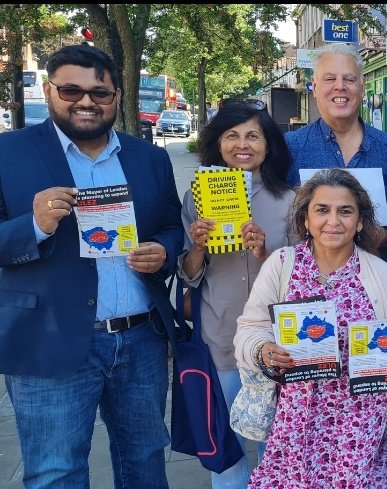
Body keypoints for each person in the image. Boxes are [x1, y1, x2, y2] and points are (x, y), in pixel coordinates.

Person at [0, 44, 183, 488]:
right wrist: (34, 226)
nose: (86, 101)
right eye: (70, 90)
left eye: (99, 92)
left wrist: (163, 251)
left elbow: (171, 227)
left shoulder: (149, 158)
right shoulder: (8, 153)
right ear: (48, 91)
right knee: (55, 473)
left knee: (144, 461)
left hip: (140, 340)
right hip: (51, 339)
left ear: (117, 97)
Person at [234, 168, 387, 488]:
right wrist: (263, 349)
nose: (333, 221)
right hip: (295, 421)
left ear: (360, 221)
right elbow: (250, 328)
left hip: (360, 425)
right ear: (305, 220)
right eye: (322, 210)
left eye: (345, 211)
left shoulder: (380, 274)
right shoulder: (282, 265)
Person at [178, 101, 296, 488]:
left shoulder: (292, 200)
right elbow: (189, 276)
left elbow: (303, 281)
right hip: (220, 338)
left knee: (277, 449)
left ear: (268, 144)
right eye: (232, 135)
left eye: (252, 135)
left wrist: (265, 255)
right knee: (226, 451)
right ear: (219, 143)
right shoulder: (198, 198)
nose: (242, 144)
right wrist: (197, 246)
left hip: (276, 345)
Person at [285, 43, 387, 269]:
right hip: (311, 290)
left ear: (362, 88)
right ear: (314, 86)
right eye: (329, 79)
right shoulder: (288, 148)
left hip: (376, 290)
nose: (340, 87)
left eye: (349, 79)